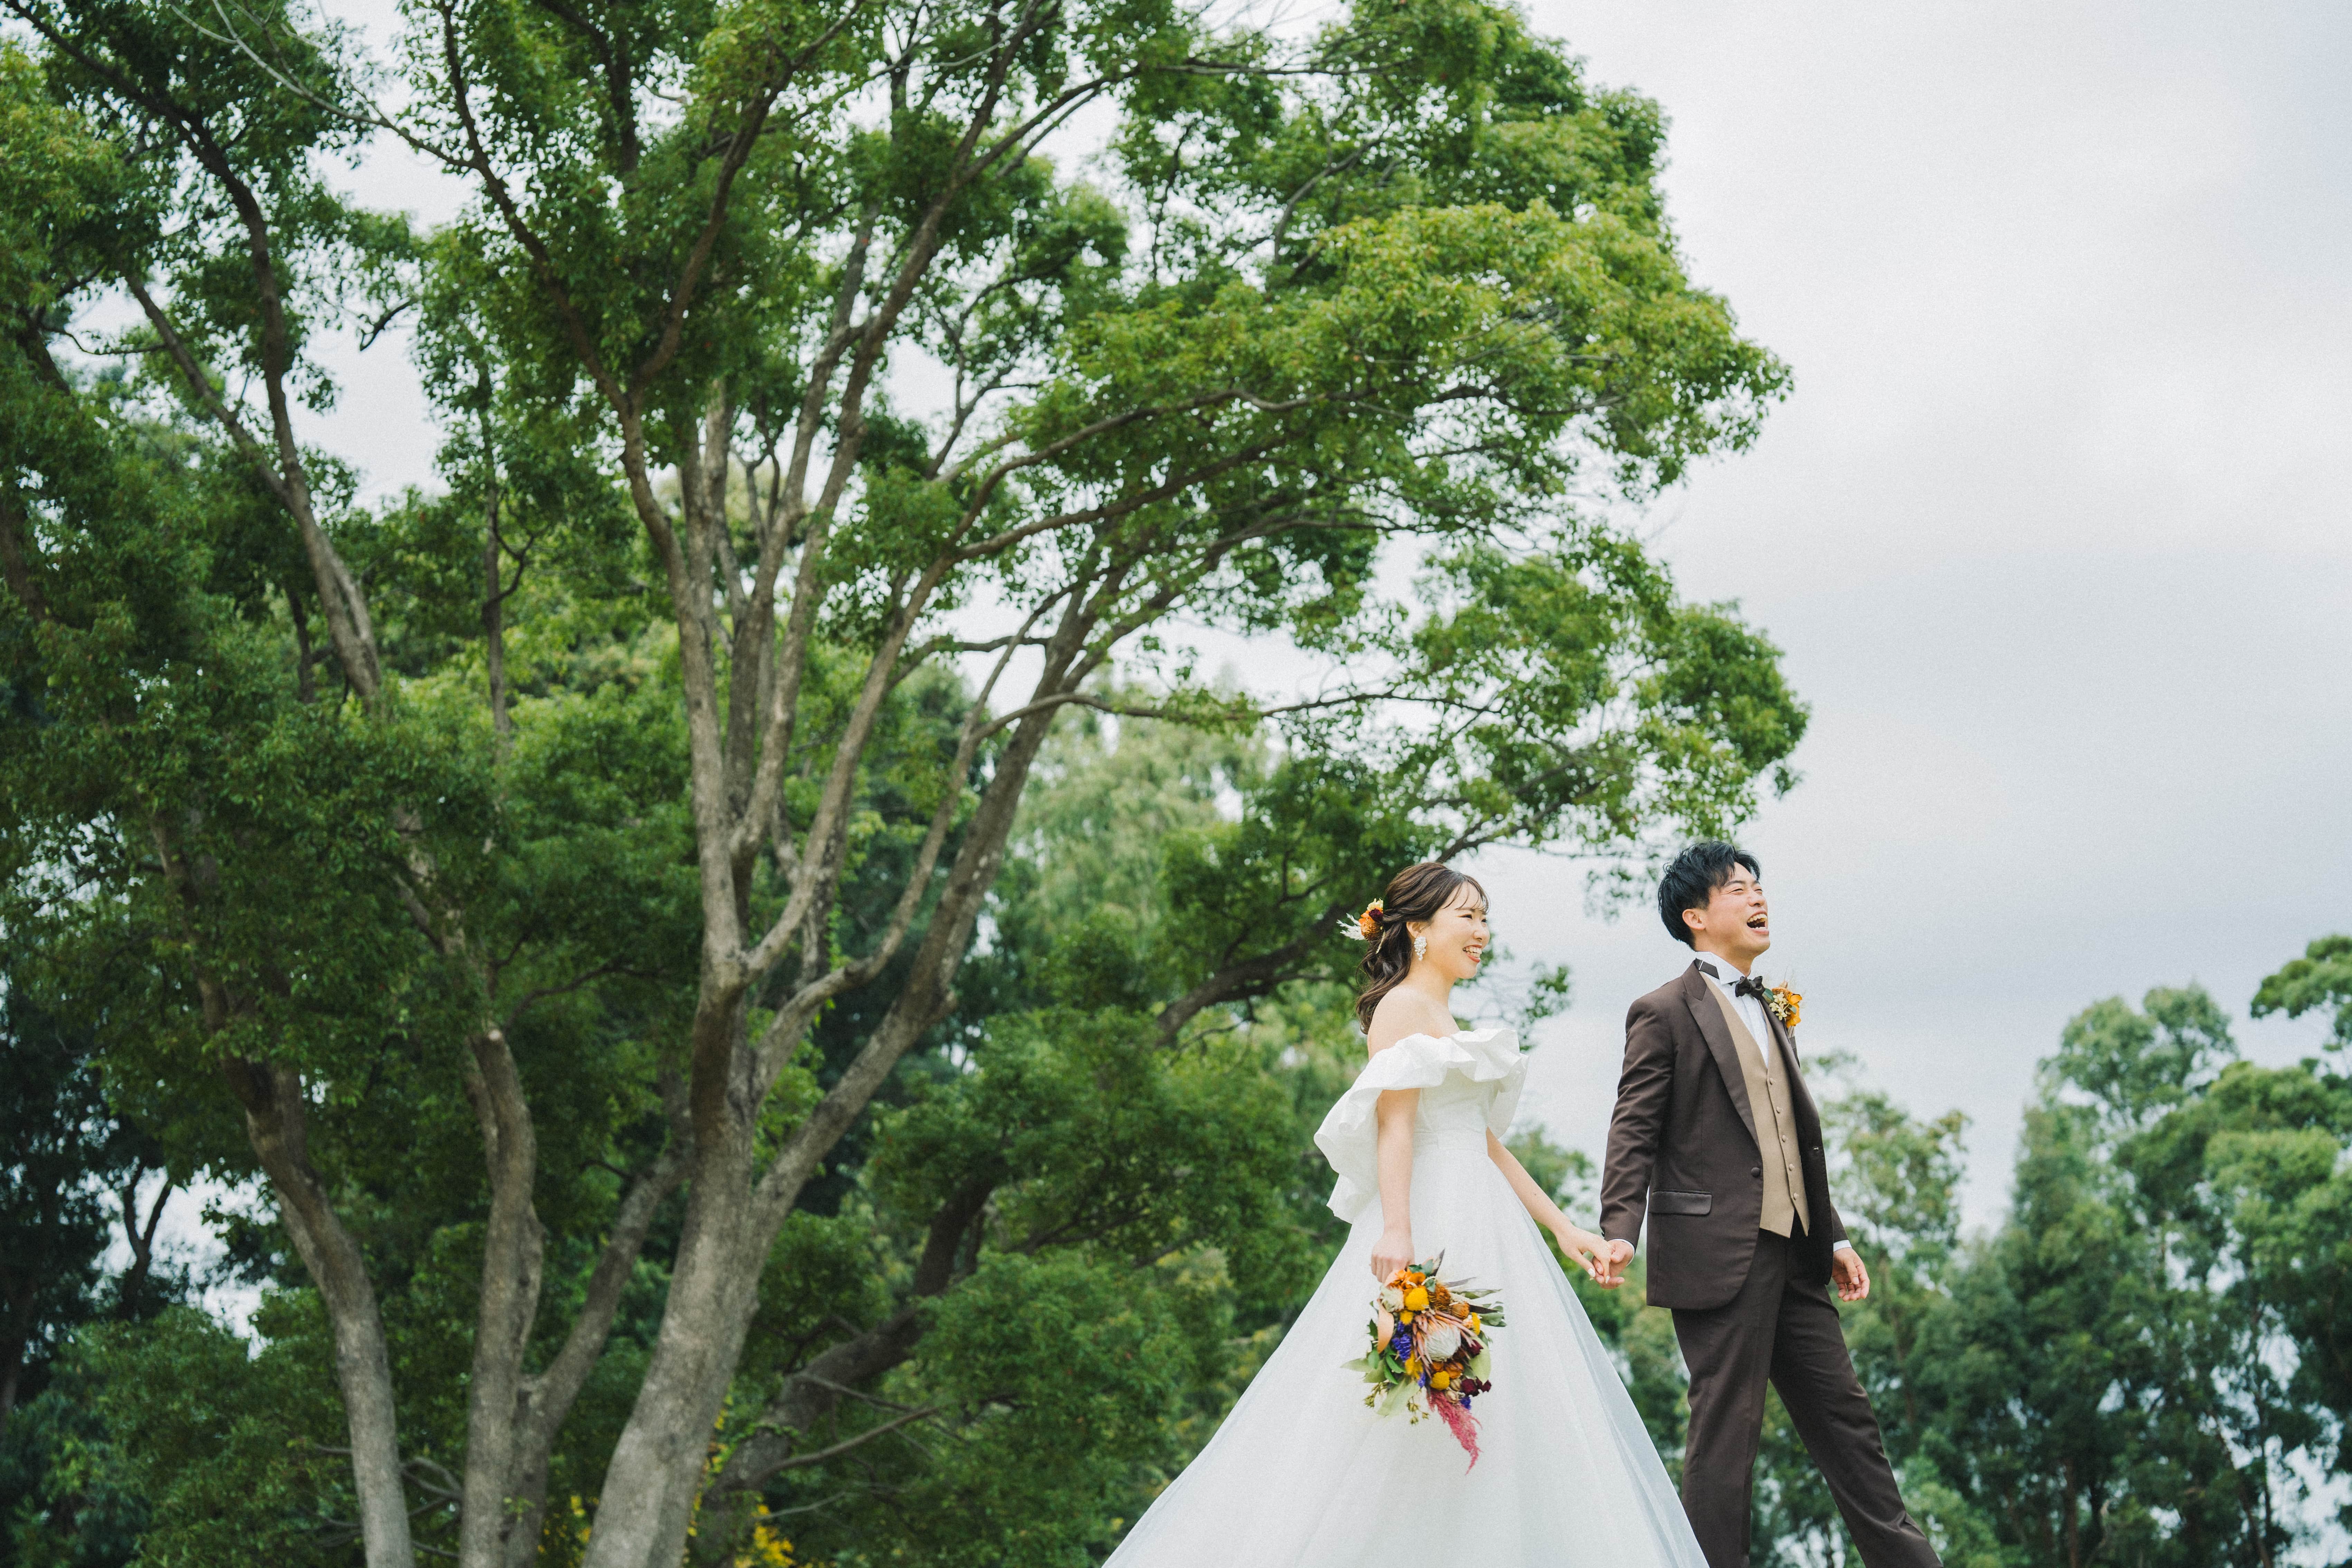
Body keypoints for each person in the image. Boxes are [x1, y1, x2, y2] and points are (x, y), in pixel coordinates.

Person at [1104, 862, 1708, 1567]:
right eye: (1467, 916)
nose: (1481, 932)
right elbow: (1394, 1126)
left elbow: (1486, 1143)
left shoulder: (1444, 1015)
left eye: (1485, 918)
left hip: (1486, 1213)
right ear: (1418, 928)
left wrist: (1564, 1228)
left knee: (1502, 1402)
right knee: (1404, 1410)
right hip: (1433, 1216)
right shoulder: (1400, 1008)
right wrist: (1397, 1228)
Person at [1598, 842, 1940, 1568]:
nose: (1758, 898)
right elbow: (1633, 1127)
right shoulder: (1663, 1011)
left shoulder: (1769, 1008)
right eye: (1737, 888)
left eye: (1758, 886)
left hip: (1797, 1251)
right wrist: (1619, 1227)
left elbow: (1789, 1137)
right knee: (1726, 1440)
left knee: (1849, 1424)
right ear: (1694, 916)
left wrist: (1834, 1236)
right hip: (1715, 1257)